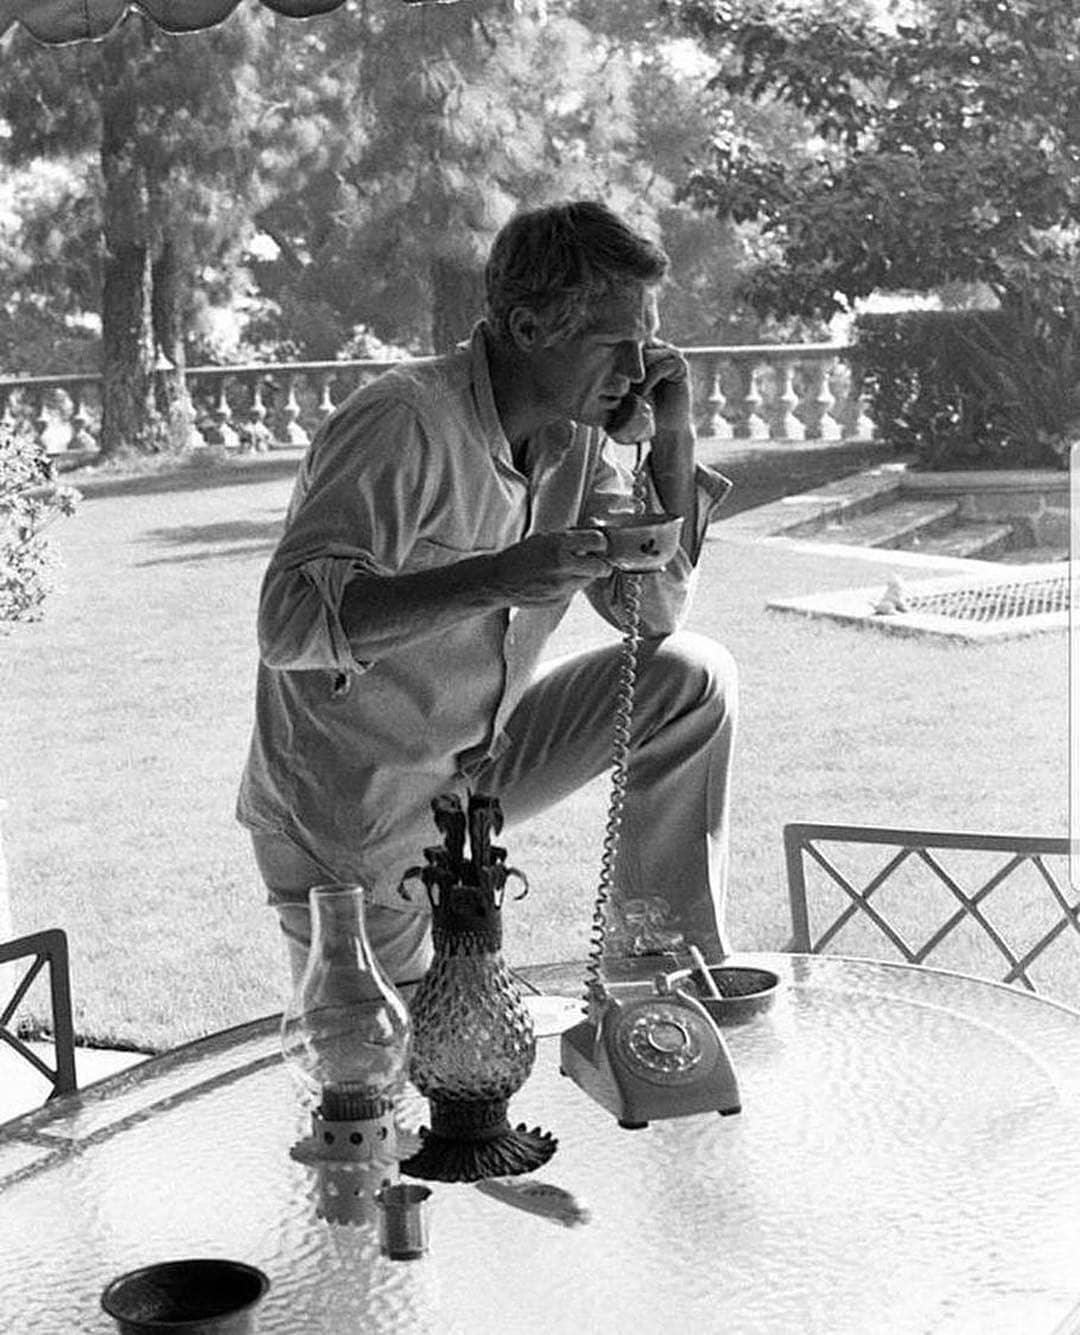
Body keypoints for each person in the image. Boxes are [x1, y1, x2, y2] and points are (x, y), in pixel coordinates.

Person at [237, 199, 738, 988]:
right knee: (382, 1076)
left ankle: (661, 968)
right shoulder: (404, 424)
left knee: (689, 679)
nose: (638, 371)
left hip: (481, 761)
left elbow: (655, 610)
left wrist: (671, 437)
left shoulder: (577, 442)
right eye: (616, 345)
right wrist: (500, 575)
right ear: (529, 327)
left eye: (646, 346)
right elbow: (290, 624)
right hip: (353, 810)